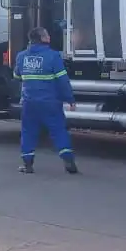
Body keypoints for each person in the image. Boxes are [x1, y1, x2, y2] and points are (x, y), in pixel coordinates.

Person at [14, 26, 79, 175]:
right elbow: (63, 81)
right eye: (47, 35)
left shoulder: (21, 56)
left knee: (28, 132)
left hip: (29, 103)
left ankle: (27, 164)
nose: (49, 37)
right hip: (50, 102)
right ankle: (68, 161)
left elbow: (17, 76)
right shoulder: (53, 56)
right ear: (43, 39)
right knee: (58, 130)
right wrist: (70, 99)